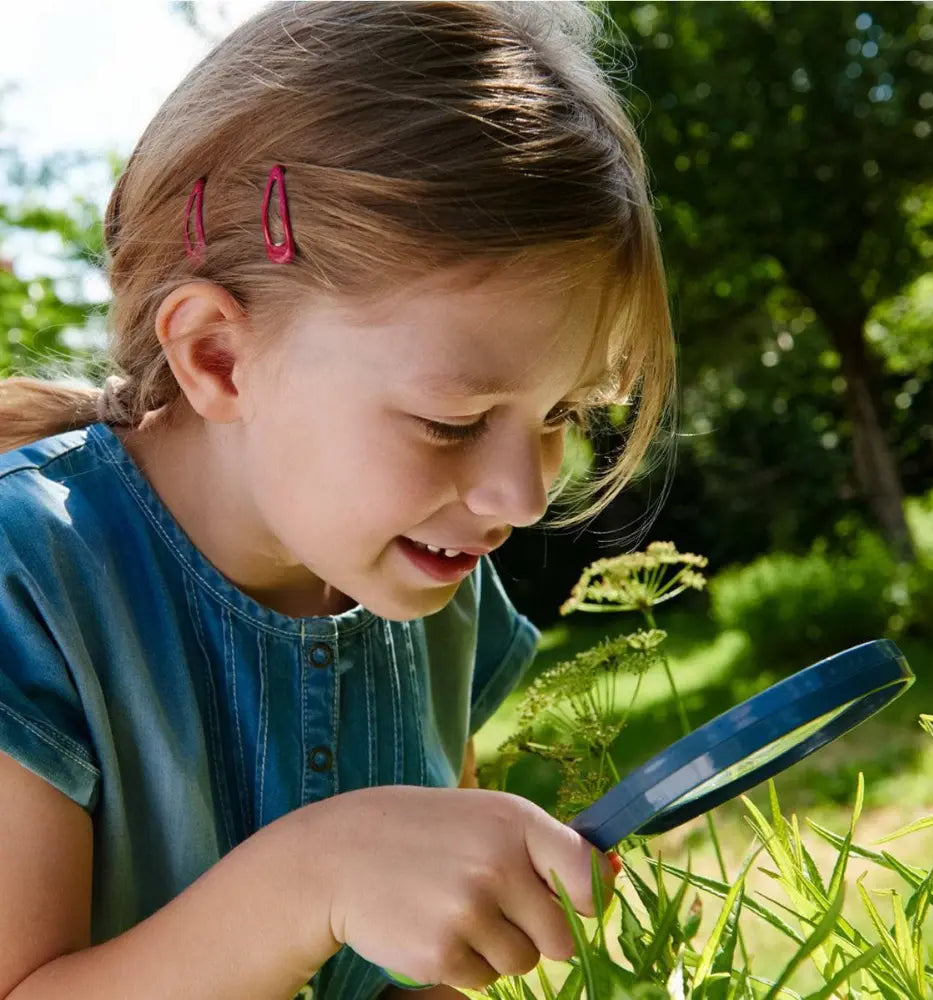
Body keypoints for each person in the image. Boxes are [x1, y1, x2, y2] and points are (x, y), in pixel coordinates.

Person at [0, 2, 675, 998]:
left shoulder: (434, 591)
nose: (522, 495)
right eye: (452, 421)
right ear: (219, 357)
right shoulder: (32, 578)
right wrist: (313, 877)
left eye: (563, 413)